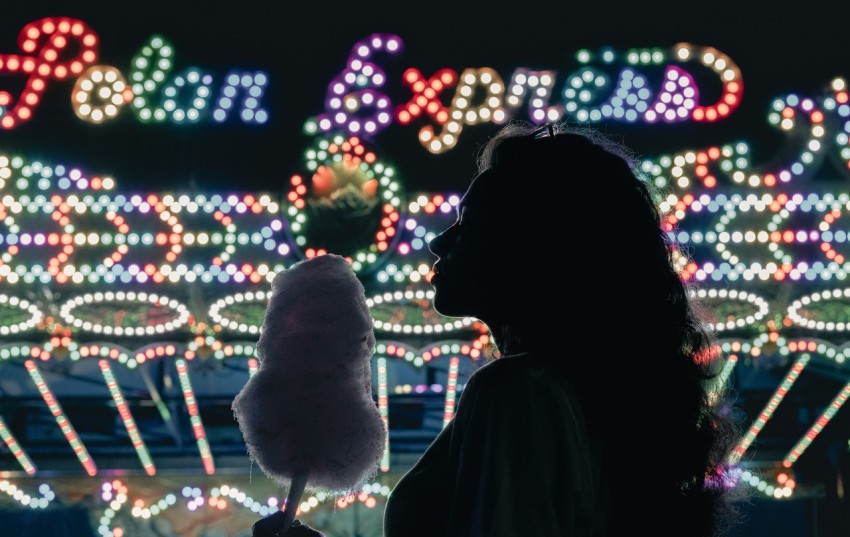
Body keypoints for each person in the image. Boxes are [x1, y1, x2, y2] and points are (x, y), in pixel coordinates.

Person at [259, 120, 742, 536]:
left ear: (532, 243)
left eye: (468, 223)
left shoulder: (517, 392)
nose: (437, 242)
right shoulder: (590, 400)